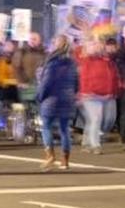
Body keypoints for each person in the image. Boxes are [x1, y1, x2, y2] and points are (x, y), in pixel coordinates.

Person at [36, 35, 80, 171]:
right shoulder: (72, 63)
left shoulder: (52, 62)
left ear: (56, 45)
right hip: (67, 99)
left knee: (47, 127)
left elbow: (46, 83)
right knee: (64, 129)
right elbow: (77, 82)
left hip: (51, 99)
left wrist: (39, 96)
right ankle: (65, 161)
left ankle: (50, 156)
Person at [76, 39, 120, 154]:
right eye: (94, 45)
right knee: (96, 119)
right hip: (90, 94)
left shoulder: (107, 60)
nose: (97, 47)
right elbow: (83, 77)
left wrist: (113, 91)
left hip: (104, 94)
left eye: (99, 45)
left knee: (92, 120)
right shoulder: (86, 60)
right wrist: (83, 93)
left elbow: (112, 77)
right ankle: (95, 145)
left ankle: (86, 144)